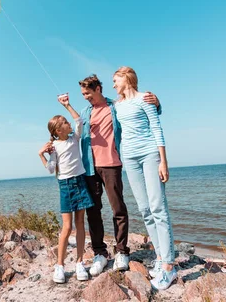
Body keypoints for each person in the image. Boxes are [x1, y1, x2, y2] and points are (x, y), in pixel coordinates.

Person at [78, 74, 161, 275]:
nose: (85, 97)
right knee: (93, 211)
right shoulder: (85, 111)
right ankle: (100, 253)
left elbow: (142, 113)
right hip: (90, 167)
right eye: (83, 94)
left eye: (87, 93)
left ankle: (122, 251)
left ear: (98, 88)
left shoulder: (116, 106)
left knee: (118, 209)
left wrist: (157, 103)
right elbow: (75, 135)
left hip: (112, 165)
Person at [112, 66, 177, 290]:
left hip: (150, 154)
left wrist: (163, 161)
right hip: (129, 159)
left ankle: (169, 265)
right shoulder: (116, 105)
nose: (113, 85)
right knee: (145, 210)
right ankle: (160, 257)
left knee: (158, 207)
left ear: (126, 78)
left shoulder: (146, 98)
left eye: (115, 80)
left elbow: (157, 128)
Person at [38, 94, 95, 284]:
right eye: (64, 122)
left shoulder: (74, 138)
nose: (67, 122)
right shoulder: (54, 146)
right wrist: (41, 155)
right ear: (57, 130)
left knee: (80, 224)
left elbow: (79, 120)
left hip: (80, 181)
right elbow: (51, 169)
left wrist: (67, 105)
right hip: (65, 185)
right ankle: (60, 265)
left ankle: (79, 263)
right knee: (67, 227)